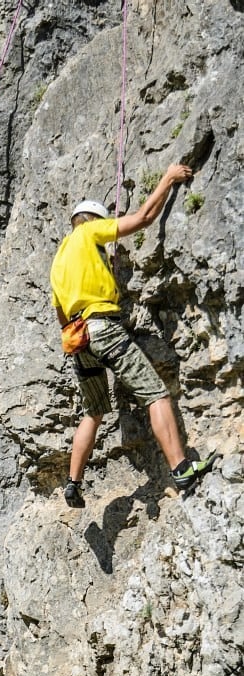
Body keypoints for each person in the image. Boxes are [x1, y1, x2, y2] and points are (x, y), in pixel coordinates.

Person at [50, 163, 217, 508]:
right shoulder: (88, 233)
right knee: (156, 394)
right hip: (102, 327)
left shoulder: (58, 261)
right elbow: (142, 218)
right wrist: (168, 179)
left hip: (78, 340)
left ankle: (73, 483)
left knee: (93, 412)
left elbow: (61, 316)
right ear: (93, 221)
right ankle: (181, 467)